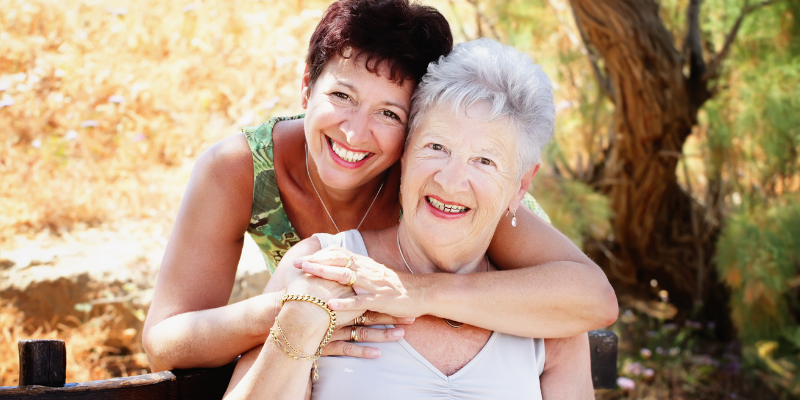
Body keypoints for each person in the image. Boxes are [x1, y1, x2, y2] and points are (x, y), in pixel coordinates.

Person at [142, 0, 617, 374]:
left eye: (389, 113)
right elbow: (165, 342)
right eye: (341, 96)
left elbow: (590, 299)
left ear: (414, 129)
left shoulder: (444, 190)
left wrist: (415, 291)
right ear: (307, 86)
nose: (354, 133)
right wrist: (293, 311)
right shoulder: (241, 170)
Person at [224, 39, 598, 400]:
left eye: (485, 161)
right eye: (436, 147)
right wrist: (299, 323)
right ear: (404, 156)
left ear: (521, 186)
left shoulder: (547, 312)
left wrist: (419, 293)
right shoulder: (323, 267)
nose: (450, 181)